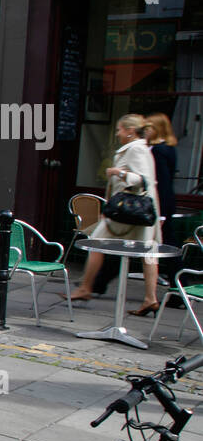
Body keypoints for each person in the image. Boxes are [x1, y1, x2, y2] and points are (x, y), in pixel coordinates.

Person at [68, 114, 160, 315]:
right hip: (138, 211)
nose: (117, 133)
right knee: (148, 253)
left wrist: (116, 172)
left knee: (96, 241)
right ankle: (150, 299)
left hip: (129, 210)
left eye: (119, 129)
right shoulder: (140, 148)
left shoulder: (135, 149)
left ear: (130, 131)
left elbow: (140, 180)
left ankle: (86, 287)